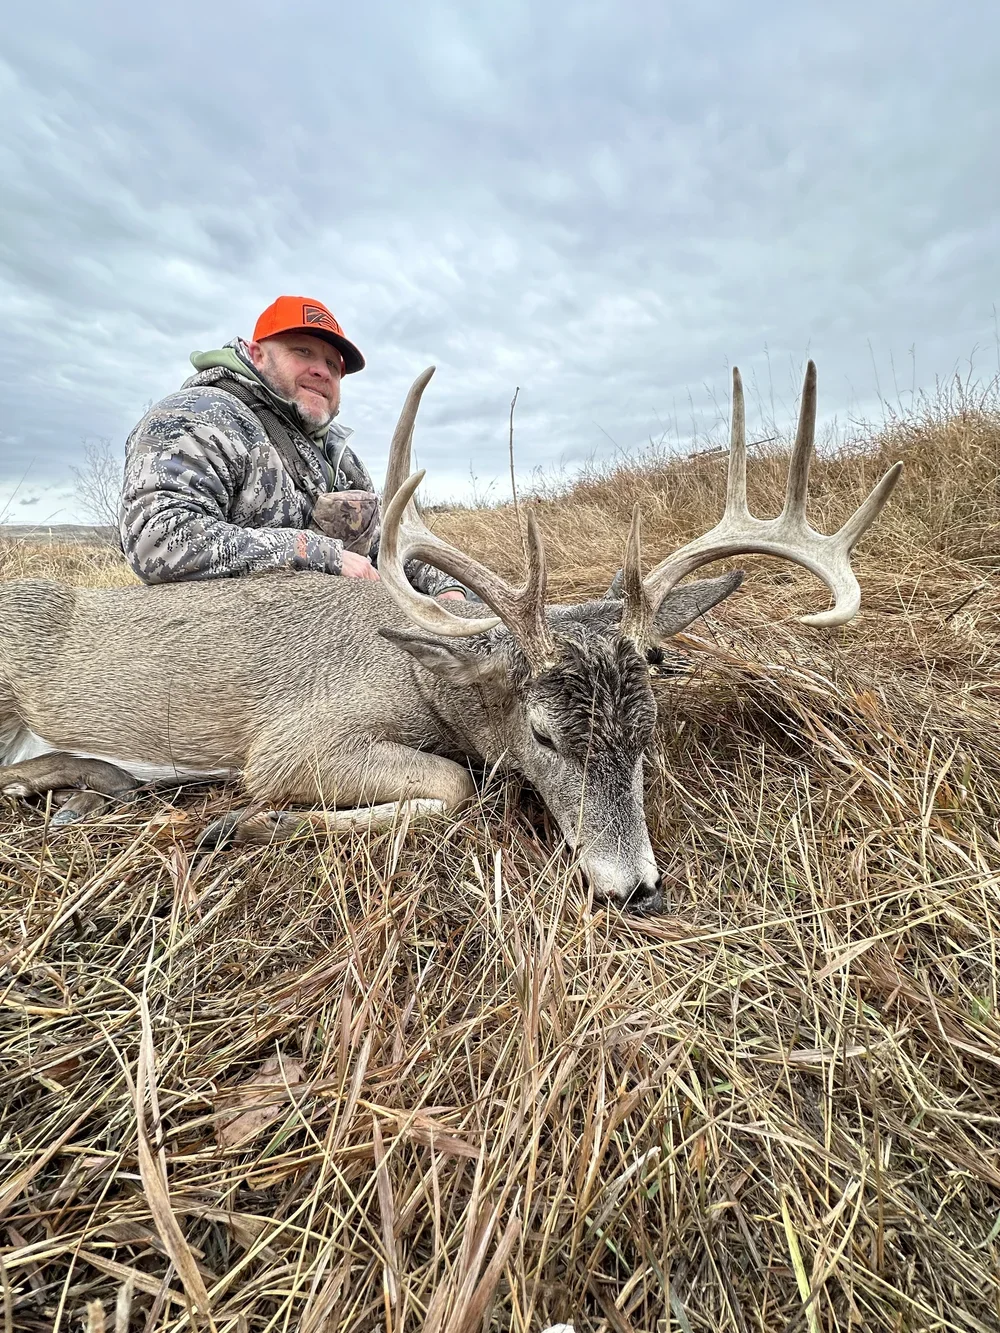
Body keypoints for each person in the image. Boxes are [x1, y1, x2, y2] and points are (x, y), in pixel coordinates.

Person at [118, 295, 466, 599]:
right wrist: (323, 556)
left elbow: (381, 544)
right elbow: (158, 539)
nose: (322, 371)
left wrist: (446, 588)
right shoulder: (200, 415)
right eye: (303, 351)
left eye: (333, 364)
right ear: (257, 355)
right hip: (222, 651)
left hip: (320, 638)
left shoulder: (336, 456)